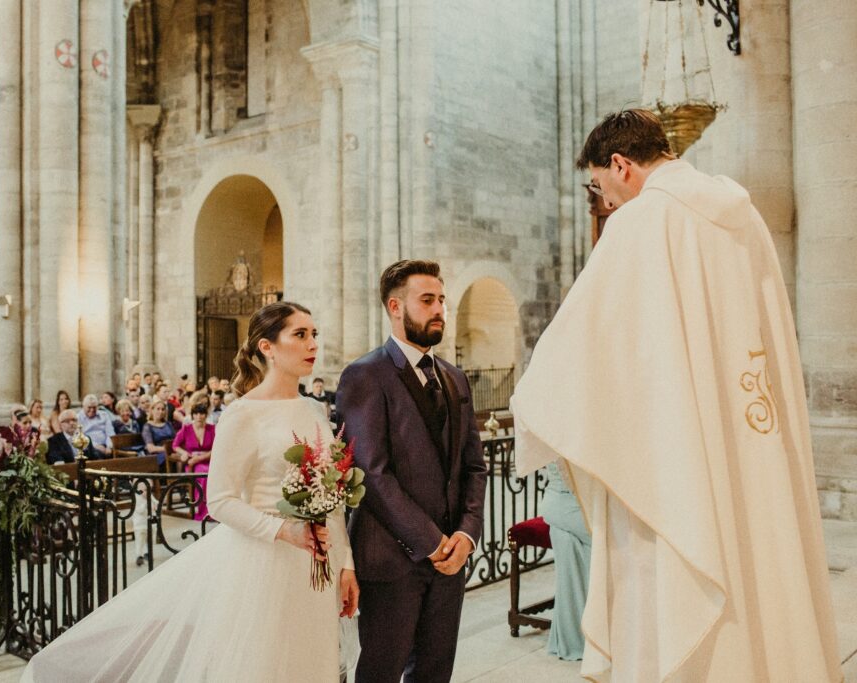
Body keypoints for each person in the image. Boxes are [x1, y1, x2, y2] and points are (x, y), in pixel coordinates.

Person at [510, 109, 841, 682]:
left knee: (675, 579)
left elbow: (573, 351)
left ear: (621, 165)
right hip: (753, 435)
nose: (604, 199)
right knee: (758, 562)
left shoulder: (643, 223)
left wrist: (531, 403)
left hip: (677, 460)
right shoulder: (743, 215)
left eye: (599, 185)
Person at [21, 301, 358, 682]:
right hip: (266, 561)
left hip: (318, 563)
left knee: (313, 663)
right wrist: (285, 530)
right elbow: (221, 499)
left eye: (314, 334)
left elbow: (331, 496)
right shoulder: (243, 413)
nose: (313, 343)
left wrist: (345, 562)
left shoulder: (314, 410)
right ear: (267, 347)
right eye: (300, 335)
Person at [336, 259, 488, 683]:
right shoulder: (365, 375)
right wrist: (430, 541)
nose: (439, 308)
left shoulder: (455, 379)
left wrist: (466, 533)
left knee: (436, 672)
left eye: (441, 300)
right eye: (427, 300)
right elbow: (371, 473)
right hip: (391, 560)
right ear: (395, 307)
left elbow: (474, 465)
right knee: (381, 672)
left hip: (450, 560)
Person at [539, 460, 590, 661]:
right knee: (616, 545)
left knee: (579, 549)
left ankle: (576, 636)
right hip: (570, 505)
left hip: (561, 503)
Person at [171, 401, 215, 520]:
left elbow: (217, 448)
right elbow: (175, 445)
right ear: (193, 416)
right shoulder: (186, 429)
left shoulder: (212, 429)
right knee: (204, 474)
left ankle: (216, 510)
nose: (199, 417)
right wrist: (184, 452)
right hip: (192, 464)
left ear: (206, 415)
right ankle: (204, 512)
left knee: (216, 473)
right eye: (196, 414)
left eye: (202, 414)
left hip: (209, 460)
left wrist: (200, 457)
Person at [141, 399, 175, 467]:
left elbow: (175, 439)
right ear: (152, 410)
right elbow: (151, 448)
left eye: (163, 409)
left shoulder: (168, 424)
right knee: (174, 456)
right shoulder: (147, 427)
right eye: (158, 409)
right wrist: (167, 449)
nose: (160, 411)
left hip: (171, 451)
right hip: (156, 455)